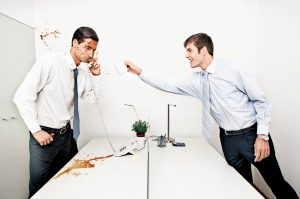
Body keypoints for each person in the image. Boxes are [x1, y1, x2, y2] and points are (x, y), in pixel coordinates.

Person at [125, 33, 299, 199]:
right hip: (227, 140)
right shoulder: (196, 80)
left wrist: (262, 136)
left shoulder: (233, 69)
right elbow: (167, 84)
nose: (186, 55)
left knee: (276, 183)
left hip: (251, 136)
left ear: (203, 50)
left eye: (189, 50)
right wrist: (139, 71)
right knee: (240, 186)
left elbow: (260, 101)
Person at [14, 26, 101, 198]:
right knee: (39, 189)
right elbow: (22, 96)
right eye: (87, 47)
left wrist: (96, 76)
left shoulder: (82, 73)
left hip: (67, 137)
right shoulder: (50, 61)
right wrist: (36, 130)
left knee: (69, 183)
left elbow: (93, 99)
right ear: (75, 43)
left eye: (94, 50)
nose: (91, 54)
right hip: (45, 138)